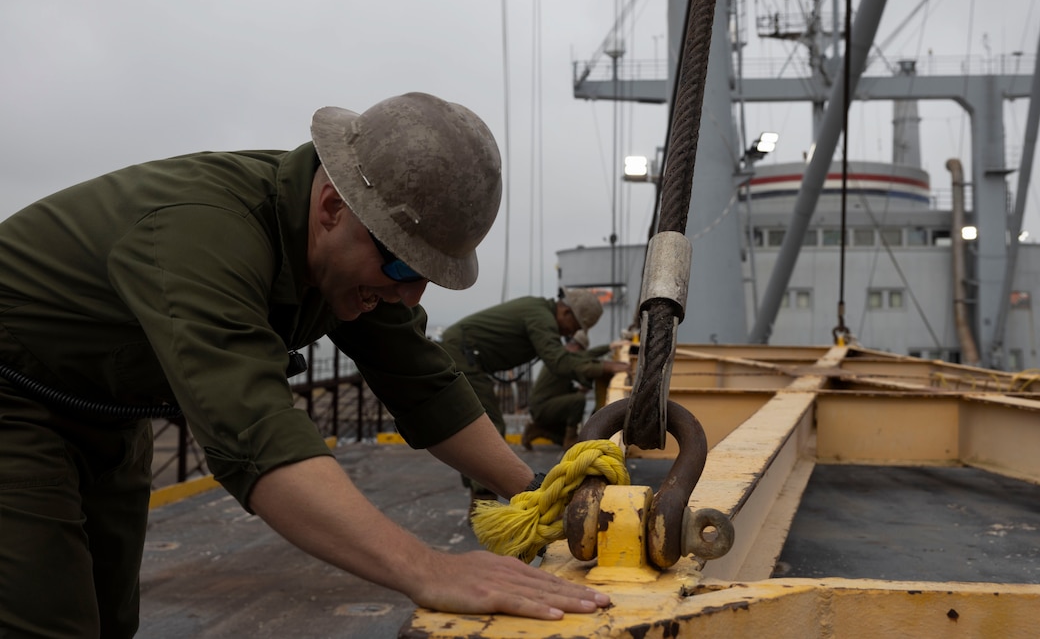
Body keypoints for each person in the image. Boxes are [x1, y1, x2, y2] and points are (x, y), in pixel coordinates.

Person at [0, 92, 611, 638]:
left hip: (104, 410)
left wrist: (536, 493)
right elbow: (255, 433)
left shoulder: (353, 253)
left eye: (428, 278)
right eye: (403, 267)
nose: (411, 294)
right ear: (329, 207)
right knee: (50, 621)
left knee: (110, 620)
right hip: (15, 400)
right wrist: (429, 568)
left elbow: (424, 383)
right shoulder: (205, 234)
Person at [438, 288, 630, 502]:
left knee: (478, 424)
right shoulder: (541, 318)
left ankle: (479, 494)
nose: (568, 334)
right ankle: (483, 500)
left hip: (465, 356)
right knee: (487, 425)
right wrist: (605, 367)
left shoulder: (538, 310)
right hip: (463, 356)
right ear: (566, 313)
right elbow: (559, 361)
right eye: (573, 327)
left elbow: (563, 357)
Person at [522, 330, 614, 450]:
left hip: (543, 405)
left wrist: (577, 389)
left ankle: (537, 430)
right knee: (578, 400)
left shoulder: (561, 357)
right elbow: (587, 356)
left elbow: (560, 387)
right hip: (542, 407)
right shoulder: (564, 358)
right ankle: (570, 439)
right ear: (576, 347)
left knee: (561, 437)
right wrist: (610, 347)